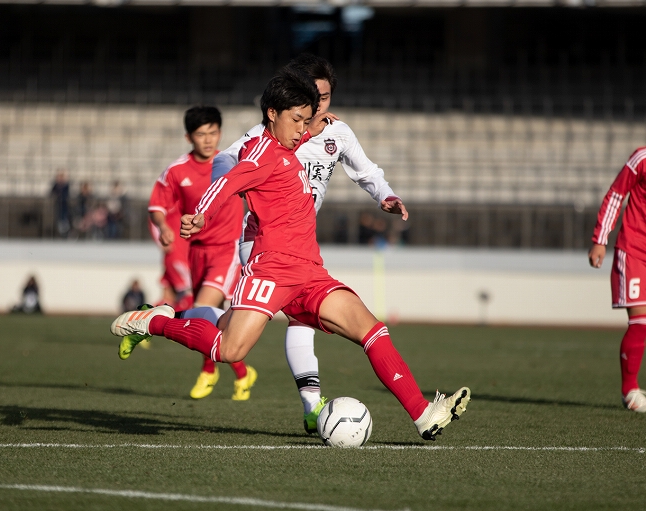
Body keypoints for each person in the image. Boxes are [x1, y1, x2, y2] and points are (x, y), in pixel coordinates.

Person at [111, 68, 471, 441]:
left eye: (307, 119)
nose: (304, 127)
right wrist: (201, 214)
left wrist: (315, 137)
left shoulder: (286, 146)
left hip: (310, 270)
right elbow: (229, 180)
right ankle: (152, 323)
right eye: (297, 119)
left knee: (371, 330)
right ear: (272, 114)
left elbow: (293, 148)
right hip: (272, 267)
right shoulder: (261, 154)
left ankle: (423, 415)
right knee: (230, 349)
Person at [212, 54, 406, 433]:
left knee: (235, 325)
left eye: (326, 96)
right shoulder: (273, 134)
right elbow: (224, 160)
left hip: (300, 240)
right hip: (260, 238)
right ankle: (313, 406)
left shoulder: (339, 135)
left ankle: (176, 317)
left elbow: (368, 173)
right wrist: (235, 187)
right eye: (312, 97)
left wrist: (385, 195)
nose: (319, 106)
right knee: (293, 318)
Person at [135, 106, 257, 401]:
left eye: (213, 132)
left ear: (220, 132)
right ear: (189, 136)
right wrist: (164, 226)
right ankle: (243, 373)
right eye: (201, 134)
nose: (208, 139)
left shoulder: (232, 161)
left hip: (227, 250)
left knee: (202, 309)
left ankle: (208, 371)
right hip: (195, 252)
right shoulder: (177, 171)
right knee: (215, 321)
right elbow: (157, 207)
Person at [589, 146, 646, 413]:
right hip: (635, 249)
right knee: (640, 322)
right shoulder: (642, 158)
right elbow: (616, 194)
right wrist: (600, 240)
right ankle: (629, 390)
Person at [50, 170, 71, 238]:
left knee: (64, 215)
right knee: (58, 216)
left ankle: (65, 229)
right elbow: (52, 192)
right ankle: (60, 230)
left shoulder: (66, 185)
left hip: (64, 203)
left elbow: (67, 194)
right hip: (57, 203)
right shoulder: (56, 185)